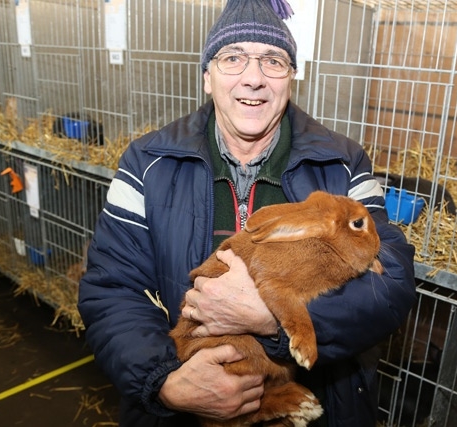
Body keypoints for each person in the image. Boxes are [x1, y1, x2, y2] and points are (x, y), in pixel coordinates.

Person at [77, 0, 417, 426]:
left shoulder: (342, 163)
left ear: (292, 76)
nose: (253, 78)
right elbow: (112, 289)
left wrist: (273, 317)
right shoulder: (147, 163)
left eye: (273, 61)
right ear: (207, 77)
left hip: (316, 403)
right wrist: (165, 382)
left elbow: (391, 282)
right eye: (232, 58)